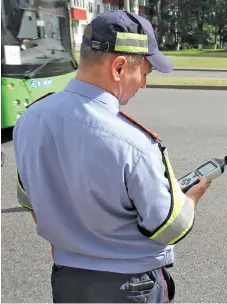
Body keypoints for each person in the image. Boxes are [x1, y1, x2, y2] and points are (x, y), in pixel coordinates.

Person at [13, 10, 210, 303]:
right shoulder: (135, 143)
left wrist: (70, 241)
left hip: (68, 281)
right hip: (129, 286)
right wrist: (192, 198)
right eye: (144, 72)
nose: (143, 83)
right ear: (119, 67)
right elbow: (169, 226)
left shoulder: (28, 119)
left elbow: (29, 198)